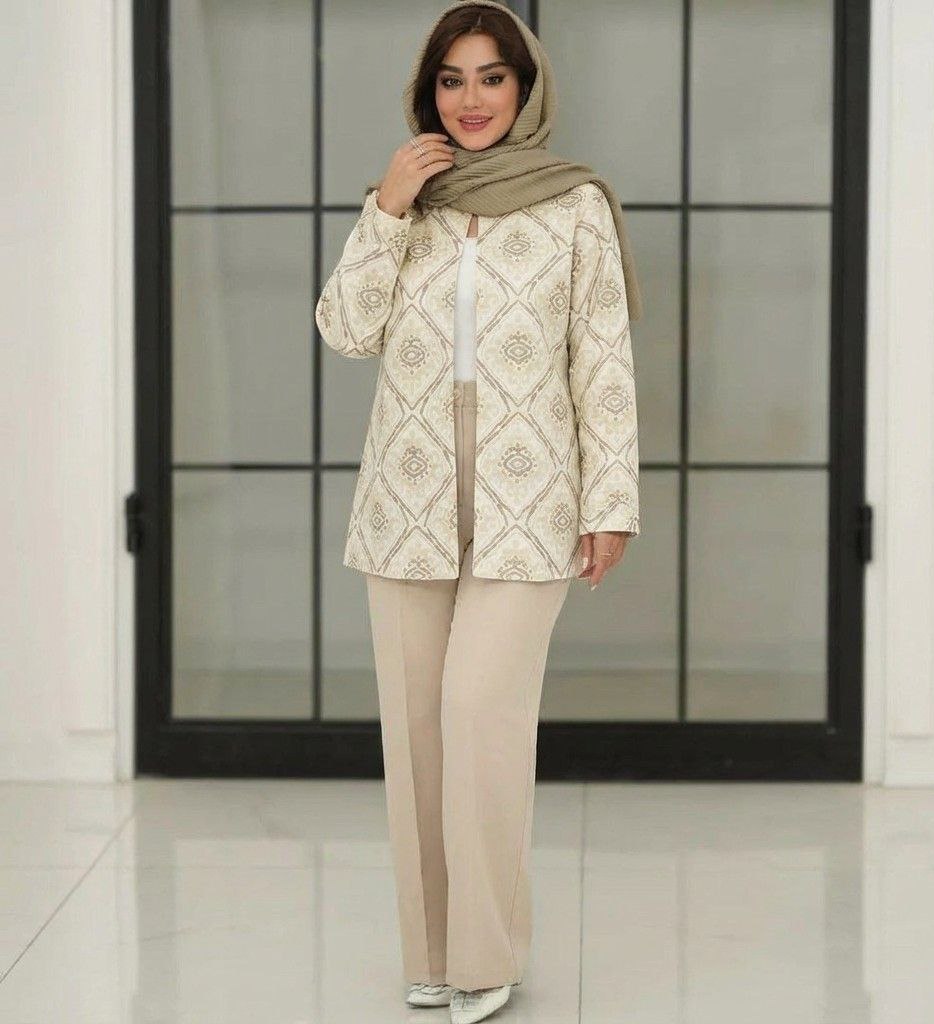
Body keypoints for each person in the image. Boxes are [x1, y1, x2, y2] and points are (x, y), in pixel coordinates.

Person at [315, 2, 643, 1020]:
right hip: (406, 498)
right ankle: (431, 951)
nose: (471, 99)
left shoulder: (574, 205)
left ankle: (486, 953)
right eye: (451, 79)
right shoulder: (403, 201)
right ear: (428, 91)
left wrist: (611, 500)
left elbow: (602, 364)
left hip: (528, 493)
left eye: (492, 77)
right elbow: (345, 331)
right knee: (417, 732)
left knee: (477, 717)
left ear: (524, 87)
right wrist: (387, 209)